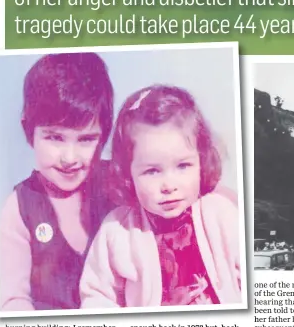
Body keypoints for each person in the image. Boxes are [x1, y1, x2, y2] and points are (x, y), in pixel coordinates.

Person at [80, 85, 241, 308]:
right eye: (152, 171)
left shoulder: (221, 214)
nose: (168, 185)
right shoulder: (117, 230)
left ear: (201, 162)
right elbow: (97, 297)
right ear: (127, 172)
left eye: (183, 166)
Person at [0, 52, 115, 311]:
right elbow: (12, 301)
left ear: (103, 136)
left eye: (86, 139)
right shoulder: (20, 208)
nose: (69, 158)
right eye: (54, 138)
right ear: (30, 132)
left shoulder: (118, 182)